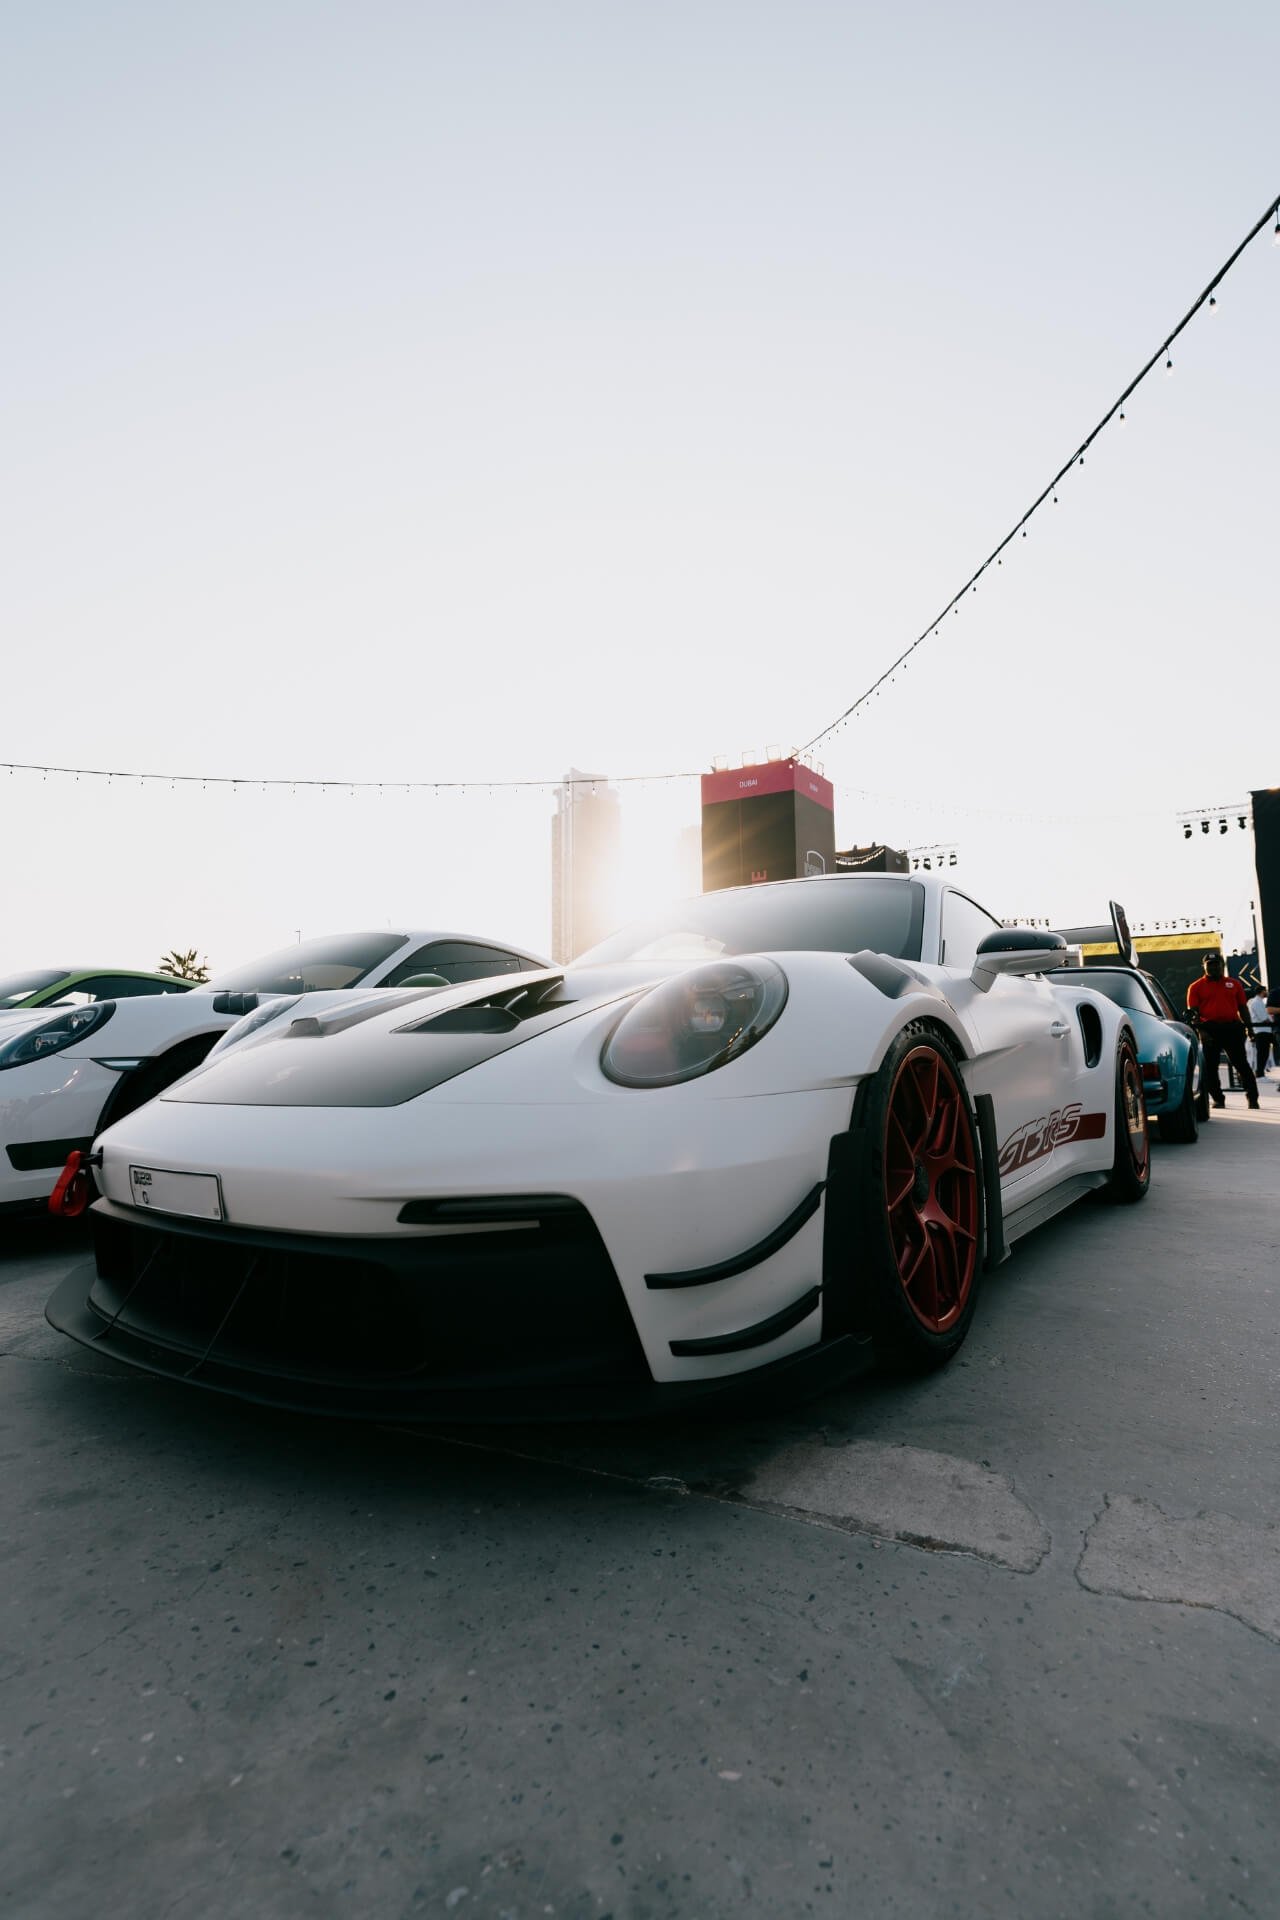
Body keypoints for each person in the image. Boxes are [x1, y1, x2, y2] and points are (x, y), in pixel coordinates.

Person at [1186, 951, 1259, 1109]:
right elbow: (1193, 1014)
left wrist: (1250, 1029)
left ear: (1222, 965)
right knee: (1211, 1068)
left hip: (1233, 1028)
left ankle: (1252, 1099)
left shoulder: (1234, 984)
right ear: (1204, 966)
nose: (1214, 967)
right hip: (1210, 1030)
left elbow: (1243, 1008)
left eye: (1216, 964)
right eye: (1209, 964)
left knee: (1242, 1065)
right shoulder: (1195, 987)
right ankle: (1218, 1099)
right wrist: (1202, 1032)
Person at [1245, 985, 1272, 1078]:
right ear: (1262, 991)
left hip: (1265, 1030)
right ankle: (1260, 1074)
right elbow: (1263, 1018)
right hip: (1261, 1030)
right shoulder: (1256, 1002)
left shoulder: (1260, 1002)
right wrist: (1271, 1021)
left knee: (1264, 1053)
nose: (1267, 992)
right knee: (1262, 1053)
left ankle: (1261, 1073)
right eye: (1266, 991)